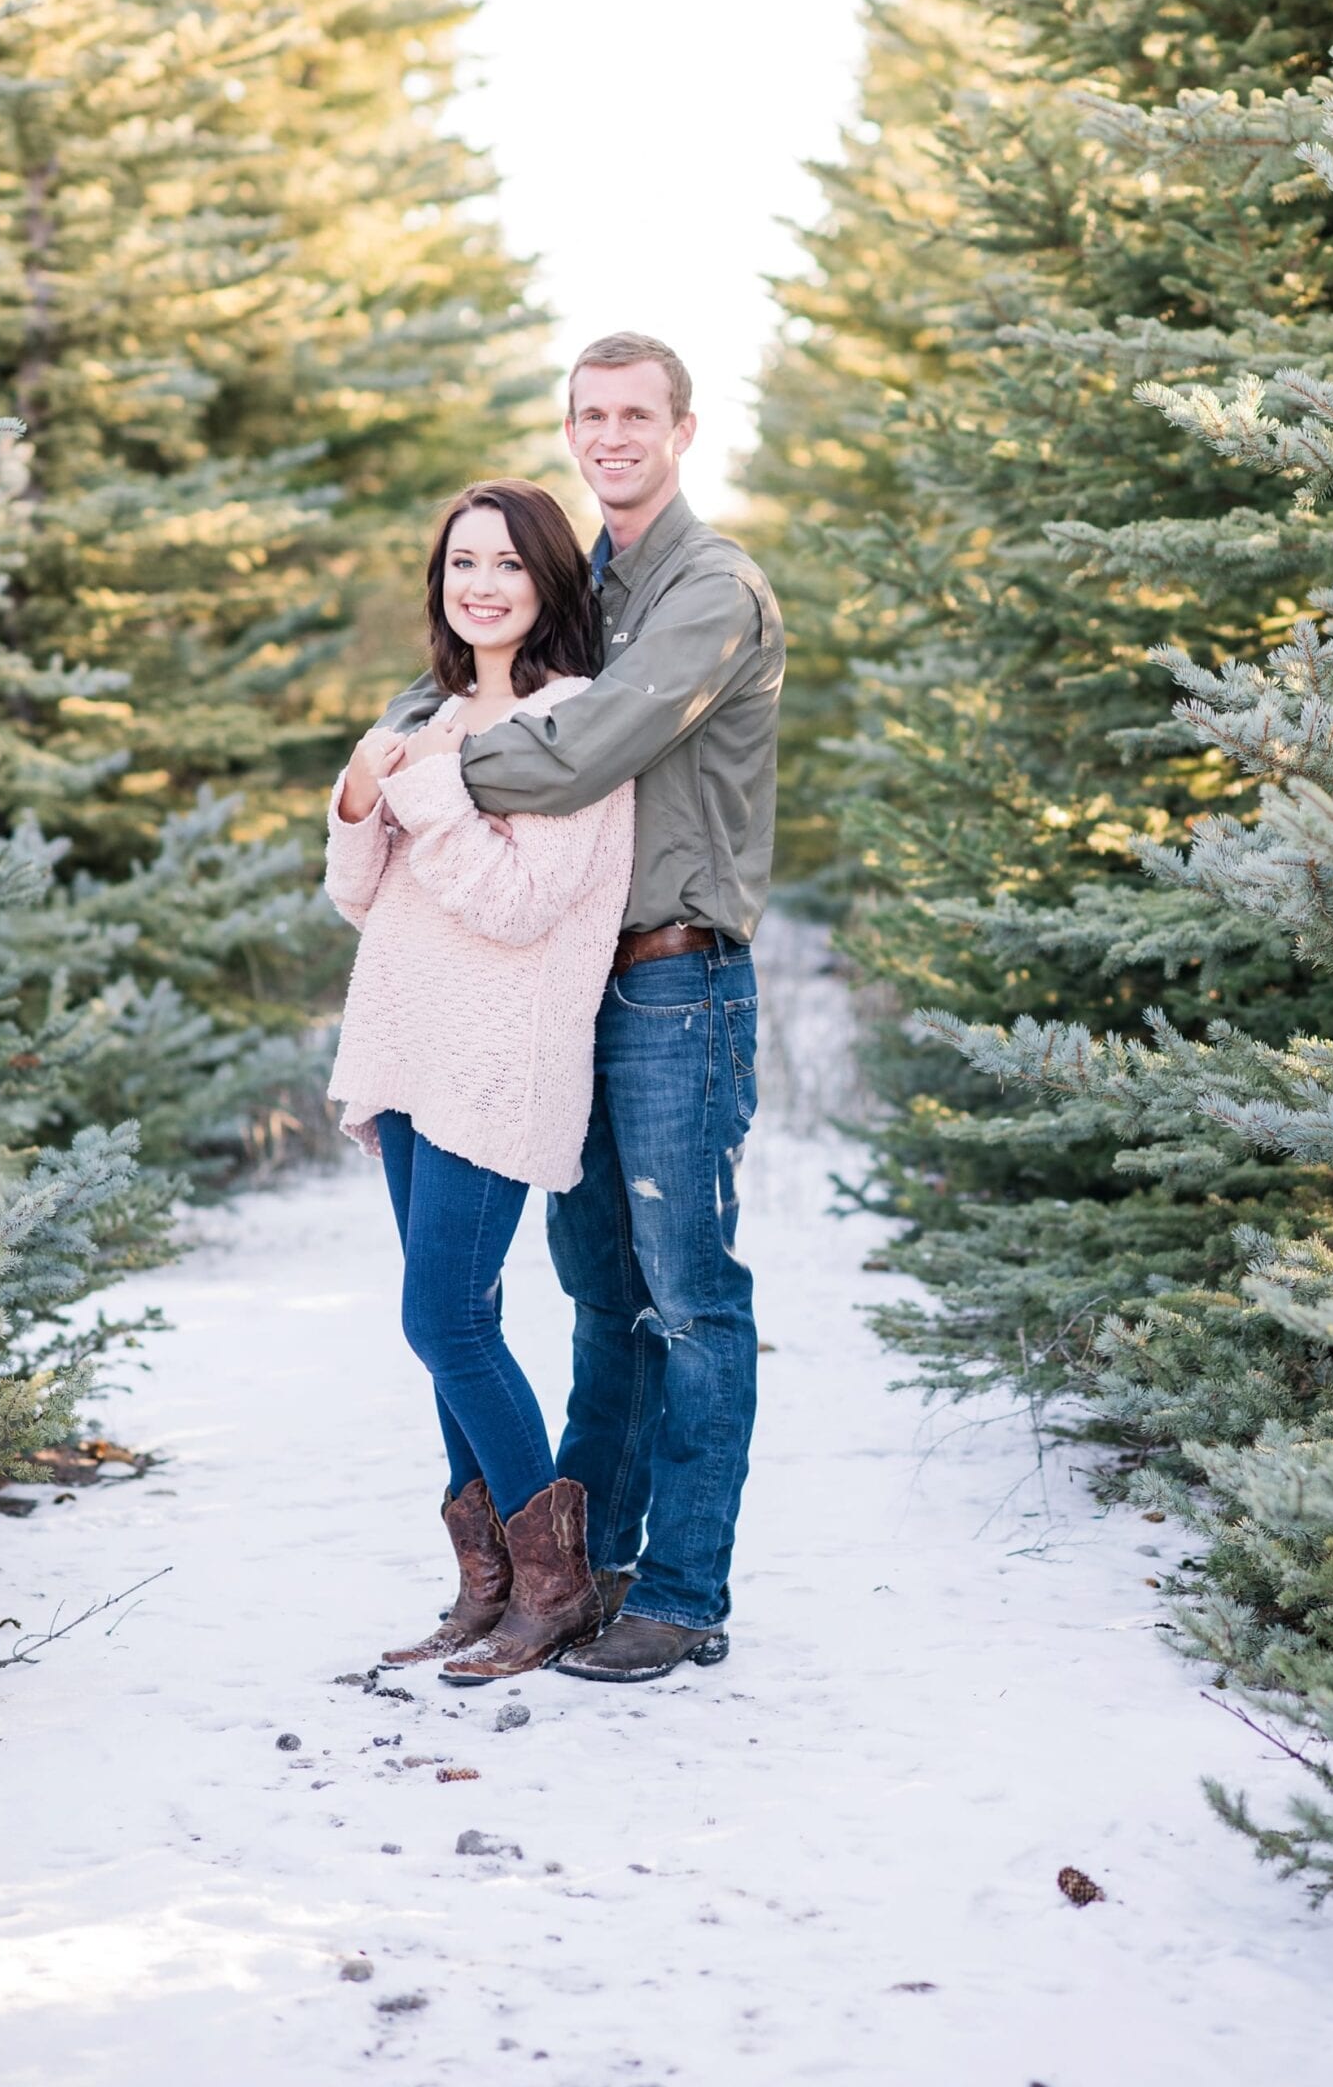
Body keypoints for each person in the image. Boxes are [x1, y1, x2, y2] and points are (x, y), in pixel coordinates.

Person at [381, 330, 785, 1683]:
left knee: (687, 1297)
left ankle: (683, 1591)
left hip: (678, 983)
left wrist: (424, 773)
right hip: (563, 988)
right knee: (597, 1294)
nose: (608, 437)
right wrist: (386, 749)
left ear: (684, 427)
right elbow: (449, 677)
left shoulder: (709, 592)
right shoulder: (582, 586)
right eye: (587, 415)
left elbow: (588, 747)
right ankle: (584, 1571)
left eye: (635, 415)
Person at [325, 479, 635, 1683]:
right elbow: (364, 894)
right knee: (460, 1324)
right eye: (461, 564)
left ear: (549, 581)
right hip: (404, 1044)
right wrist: (362, 798)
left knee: (441, 1318)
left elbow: (518, 903)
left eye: (508, 563)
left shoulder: (576, 725)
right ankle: (487, 1584)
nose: (482, 584)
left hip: (496, 1058)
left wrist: (426, 795)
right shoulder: (434, 714)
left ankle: (555, 1590)